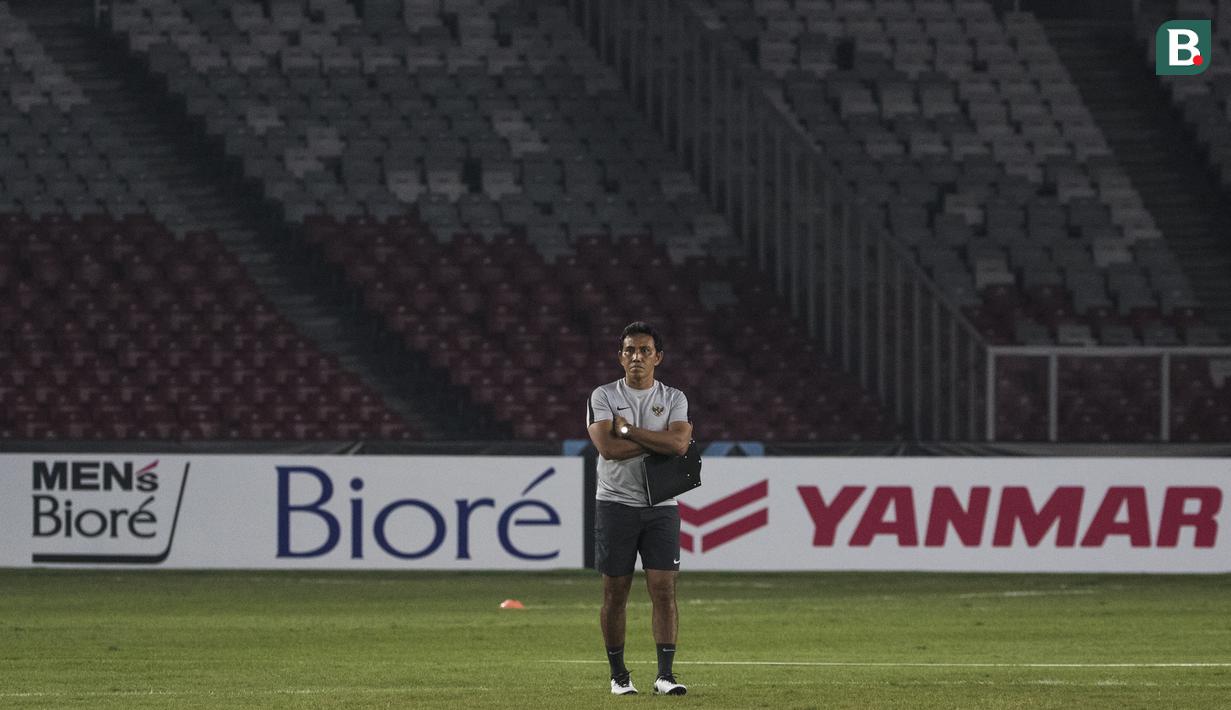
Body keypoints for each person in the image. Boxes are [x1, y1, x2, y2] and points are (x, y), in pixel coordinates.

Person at [586, 321, 692, 696]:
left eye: (645, 350)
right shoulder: (603, 396)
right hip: (615, 504)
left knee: (664, 590)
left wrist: (630, 431)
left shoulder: (674, 397)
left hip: (662, 505)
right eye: (629, 350)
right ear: (620, 357)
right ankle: (619, 676)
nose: (636, 356)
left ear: (658, 357)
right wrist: (660, 441)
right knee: (616, 593)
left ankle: (665, 675)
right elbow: (608, 450)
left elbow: (680, 445)